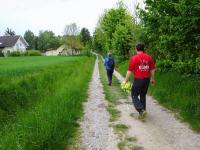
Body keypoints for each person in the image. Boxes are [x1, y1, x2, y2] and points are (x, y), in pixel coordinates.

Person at [123, 43, 156, 119]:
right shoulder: (149, 57)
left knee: (134, 95)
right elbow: (152, 69)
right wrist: (153, 78)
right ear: (144, 49)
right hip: (146, 80)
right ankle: (142, 114)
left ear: (136, 49)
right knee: (143, 95)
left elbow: (129, 71)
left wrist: (125, 81)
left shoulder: (134, 58)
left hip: (138, 80)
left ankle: (141, 110)